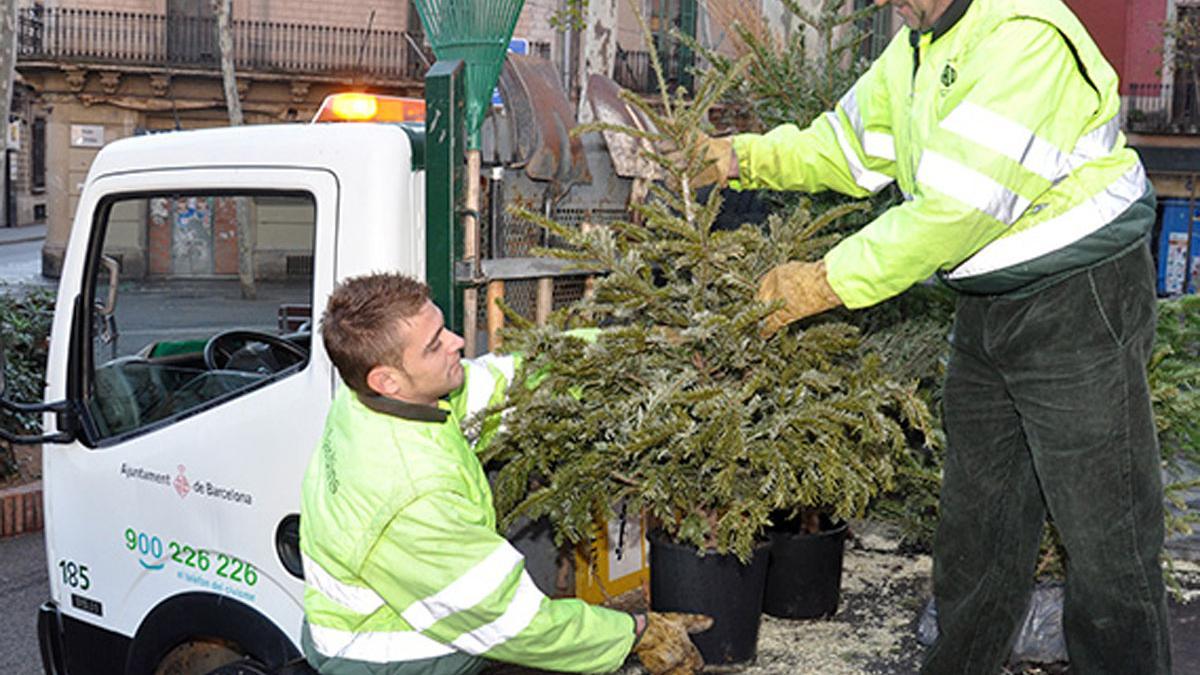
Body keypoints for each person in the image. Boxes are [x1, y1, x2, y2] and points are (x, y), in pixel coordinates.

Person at [698, 0, 1170, 672]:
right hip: (988, 300)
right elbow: (847, 148)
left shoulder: (1021, 37)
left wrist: (825, 281)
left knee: (1106, 540)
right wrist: (741, 157)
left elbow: (955, 210)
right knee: (978, 529)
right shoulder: (917, 47)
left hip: (1077, 298)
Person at [298, 272, 710, 675]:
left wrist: (626, 350)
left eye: (445, 330)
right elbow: (511, 622)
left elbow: (509, 385)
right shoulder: (410, 494)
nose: (457, 343)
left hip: (404, 621)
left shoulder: (367, 402)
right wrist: (635, 631)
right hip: (390, 655)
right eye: (434, 345)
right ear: (387, 379)